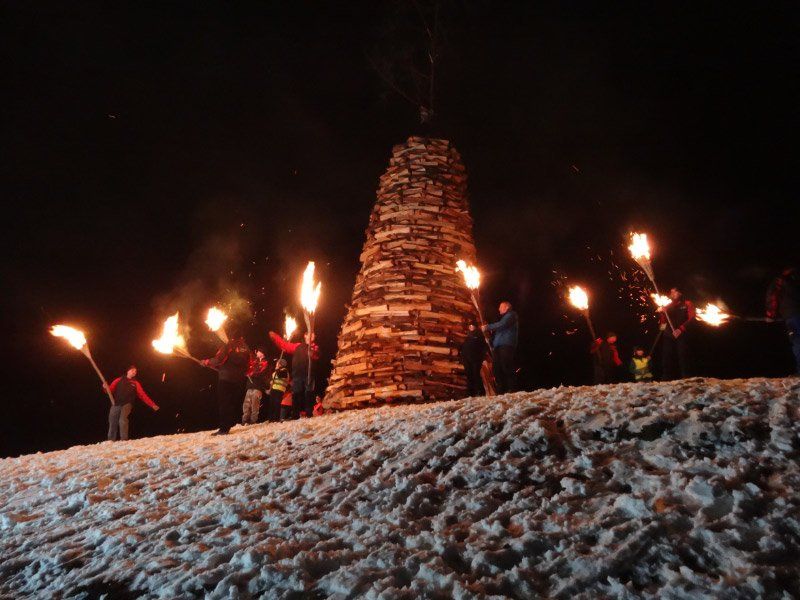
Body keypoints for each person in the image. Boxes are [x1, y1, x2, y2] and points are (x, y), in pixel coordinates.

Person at [203, 334, 250, 435]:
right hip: (239, 379)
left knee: (224, 403)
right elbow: (248, 364)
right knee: (232, 403)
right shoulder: (246, 347)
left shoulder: (228, 345)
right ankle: (229, 424)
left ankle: (224, 428)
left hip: (226, 379)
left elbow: (218, 359)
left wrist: (206, 362)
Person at [269, 330, 320, 418]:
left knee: (309, 393)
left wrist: (311, 353)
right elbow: (285, 345)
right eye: (309, 334)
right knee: (296, 394)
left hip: (309, 374)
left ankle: (309, 413)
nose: (311, 335)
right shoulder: (297, 346)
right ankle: (295, 414)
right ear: (305, 335)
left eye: (313, 334)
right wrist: (275, 337)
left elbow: (316, 356)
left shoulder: (314, 347)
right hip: (297, 374)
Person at [105, 365, 159, 441]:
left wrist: (152, 404)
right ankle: (110, 440)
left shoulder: (135, 383)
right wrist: (105, 387)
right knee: (112, 421)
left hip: (127, 403)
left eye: (135, 371)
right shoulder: (118, 380)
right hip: (116, 403)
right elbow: (109, 391)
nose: (134, 372)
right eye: (132, 370)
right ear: (128, 371)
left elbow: (143, 395)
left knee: (122, 419)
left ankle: (124, 439)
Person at [766, 266, 800, 374]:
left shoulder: (781, 280)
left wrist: (771, 315)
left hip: (793, 314)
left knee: (798, 340)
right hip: (793, 313)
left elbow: (773, 297)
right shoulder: (795, 278)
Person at [658, 287, 696, 380]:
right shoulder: (667, 306)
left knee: (683, 355)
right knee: (667, 355)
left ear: (680, 293)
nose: (672, 293)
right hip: (668, 334)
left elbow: (692, 318)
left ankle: (686, 377)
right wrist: (662, 313)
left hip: (682, 334)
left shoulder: (687, 303)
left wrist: (680, 329)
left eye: (674, 292)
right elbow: (663, 322)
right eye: (671, 292)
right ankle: (666, 378)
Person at [483, 301, 519, 393]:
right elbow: (498, 333)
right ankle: (501, 390)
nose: (499, 309)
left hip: (506, 345)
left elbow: (502, 324)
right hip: (498, 346)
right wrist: (490, 341)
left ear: (506, 307)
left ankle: (512, 388)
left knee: (506, 365)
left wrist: (487, 327)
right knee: (497, 368)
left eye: (500, 307)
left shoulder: (512, 315)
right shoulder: (503, 319)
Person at [242, 347, 269, 425]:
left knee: (255, 405)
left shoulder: (265, 363)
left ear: (262, 353)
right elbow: (248, 367)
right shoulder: (254, 362)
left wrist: (252, 373)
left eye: (258, 351)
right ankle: (245, 420)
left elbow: (261, 373)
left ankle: (253, 421)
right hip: (250, 386)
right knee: (246, 404)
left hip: (258, 387)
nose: (257, 352)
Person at [460, 321, 487, 396]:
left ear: (475, 327)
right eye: (470, 326)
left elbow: (483, 347)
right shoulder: (468, 336)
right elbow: (464, 346)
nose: (471, 327)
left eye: (472, 325)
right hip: (467, 358)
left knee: (476, 375)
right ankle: (471, 393)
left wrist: (481, 357)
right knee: (469, 375)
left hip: (475, 359)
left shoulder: (479, 335)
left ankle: (480, 392)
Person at [267, 358, 290, 422]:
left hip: (280, 389)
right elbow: (273, 379)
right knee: (272, 404)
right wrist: (271, 382)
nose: (276, 364)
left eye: (277, 363)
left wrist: (277, 369)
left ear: (281, 364)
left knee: (277, 403)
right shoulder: (275, 371)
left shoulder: (284, 371)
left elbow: (280, 375)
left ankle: (276, 418)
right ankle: (271, 418)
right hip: (274, 388)